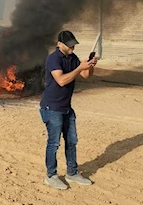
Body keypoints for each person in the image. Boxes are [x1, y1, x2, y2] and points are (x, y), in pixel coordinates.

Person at [39, 30, 97, 190]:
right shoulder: (53, 59)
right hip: (52, 108)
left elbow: (86, 75)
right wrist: (79, 69)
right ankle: (51, 176)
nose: (72, 48)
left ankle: (72, 173)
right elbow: (62, 80)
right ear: (60, 44)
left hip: (66, 108)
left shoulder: (73, 58)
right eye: (69, 45)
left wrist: (90, 66)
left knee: (72, 141)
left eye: (73, 44)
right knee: (54, 143)